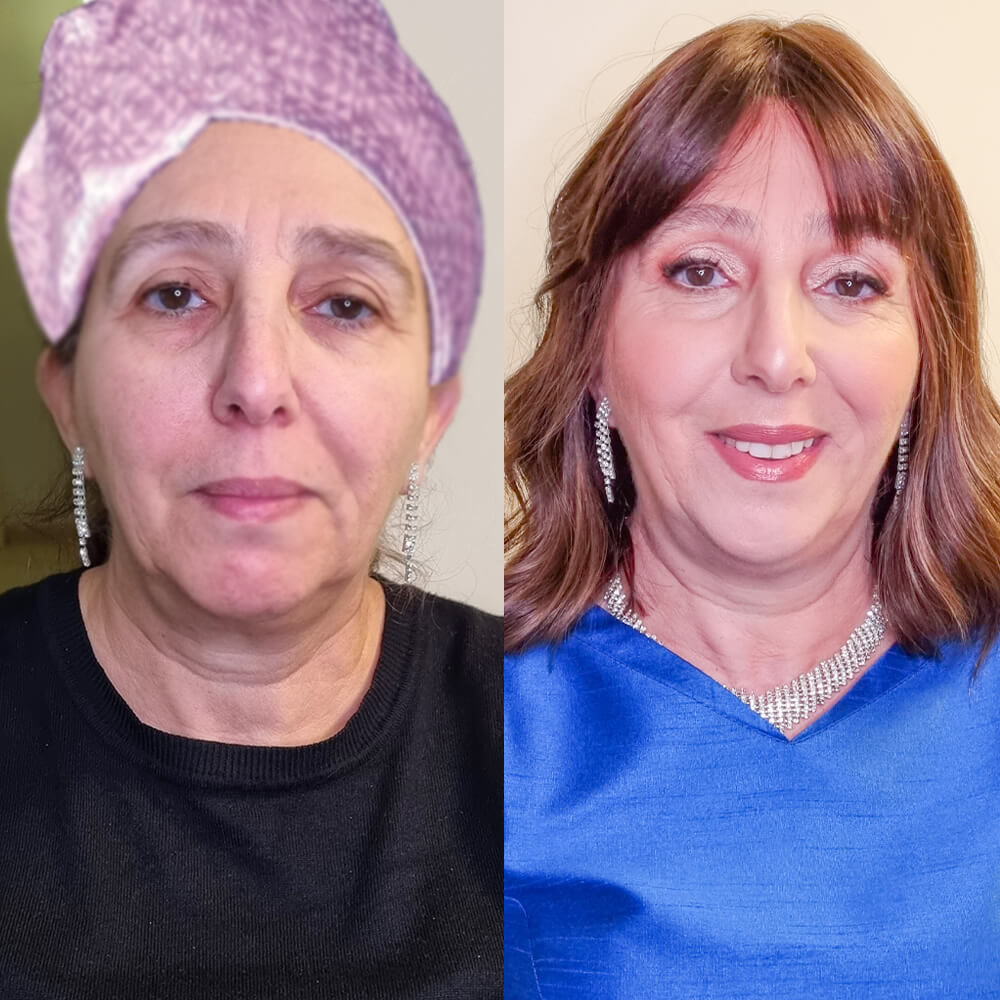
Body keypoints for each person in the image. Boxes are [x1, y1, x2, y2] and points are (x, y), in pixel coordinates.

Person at [0, 0, 500, 996]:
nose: (258, 380)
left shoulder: (554, 734)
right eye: (174, 293)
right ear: (69, 396)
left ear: (432, 413)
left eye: (344, 303)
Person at [504, 18, 1000, 999]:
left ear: (926, 357)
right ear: (592, 344)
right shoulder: (458, 739)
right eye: (700, 271)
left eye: (849, 281)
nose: (777, 355)